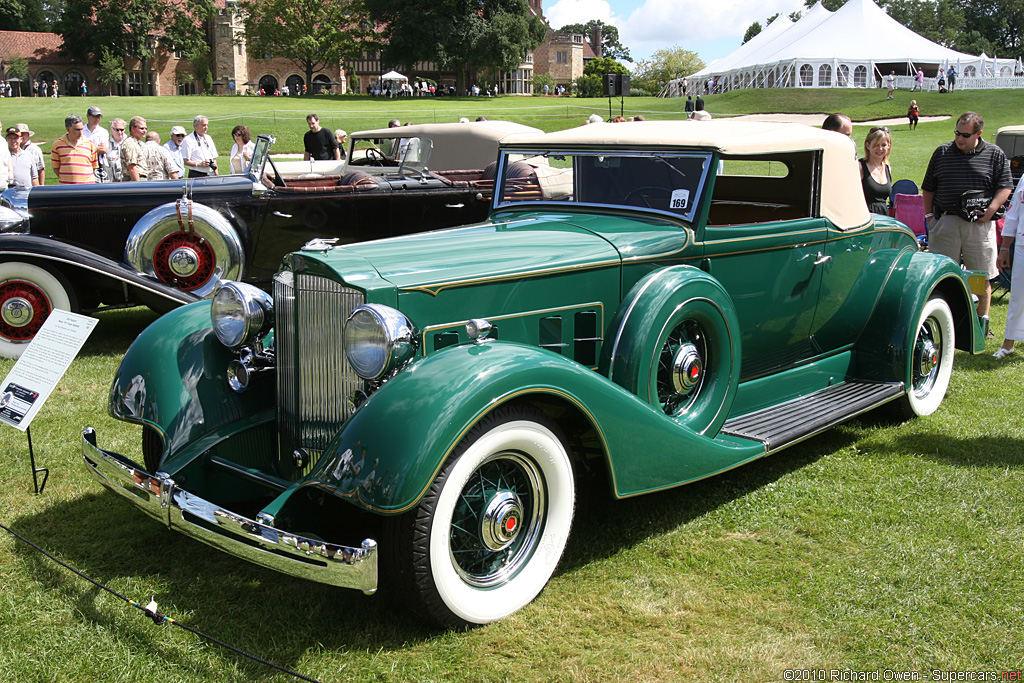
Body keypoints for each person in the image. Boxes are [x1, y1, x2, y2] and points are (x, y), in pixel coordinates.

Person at [922, 111, 1014, 323]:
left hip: (979, 226)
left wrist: (990, 210)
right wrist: (930, 218)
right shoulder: (942, 152)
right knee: (942, 276)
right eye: (957, 133)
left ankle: (981, 324)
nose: (959, 139)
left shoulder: (994, 153)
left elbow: (1005, 186)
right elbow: (928, 188)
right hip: (946, 222)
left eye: (965, 135)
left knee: (980, 278)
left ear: (978, 133)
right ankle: (944, 322)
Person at [994, 174, 1024, 358]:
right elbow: (1013, 213)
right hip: (1022, 243)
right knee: (1018, 295)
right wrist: (1005, 247)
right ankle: (1008, 343)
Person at [51, 113, 98, 184]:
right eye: (77, 130)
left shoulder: (90, 144)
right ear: (68, 129)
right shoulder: (58, 145)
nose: (80, 133)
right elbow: (56, 168)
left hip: (87, 188)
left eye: (82, 129)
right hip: (67, 188)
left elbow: (94, 166)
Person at [859, 126, 892, 215]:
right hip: (865, 217)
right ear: (868, 145)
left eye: (883, 145)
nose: (880, 149)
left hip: (883, 219)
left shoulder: (887, 167)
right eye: (876, 145)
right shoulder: (860, 166)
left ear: (889, 146)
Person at [82, 105, 111, 182]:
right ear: (88, 116)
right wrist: (96, 148)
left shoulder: (103, 132)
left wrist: (86, 149)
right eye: (94, 116)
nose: (97, 119)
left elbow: (104, 149)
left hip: (100, 164)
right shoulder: (81, 131)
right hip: (84, 164)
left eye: (99, 116)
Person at [120, 116, 149, 181]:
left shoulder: (136, 143)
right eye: (141, 128)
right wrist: (138, 186)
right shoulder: (130, 144)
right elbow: (132, 167)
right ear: (132, 128)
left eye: (146, 129)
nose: (144, 131)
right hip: (134, 179)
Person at [108, 118, 127, 182]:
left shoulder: (129, 142)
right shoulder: (107, 144)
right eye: (117, 130)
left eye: (122, 130)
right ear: (111, 129)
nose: (119, 132)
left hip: (127, 179)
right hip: (112, 179)